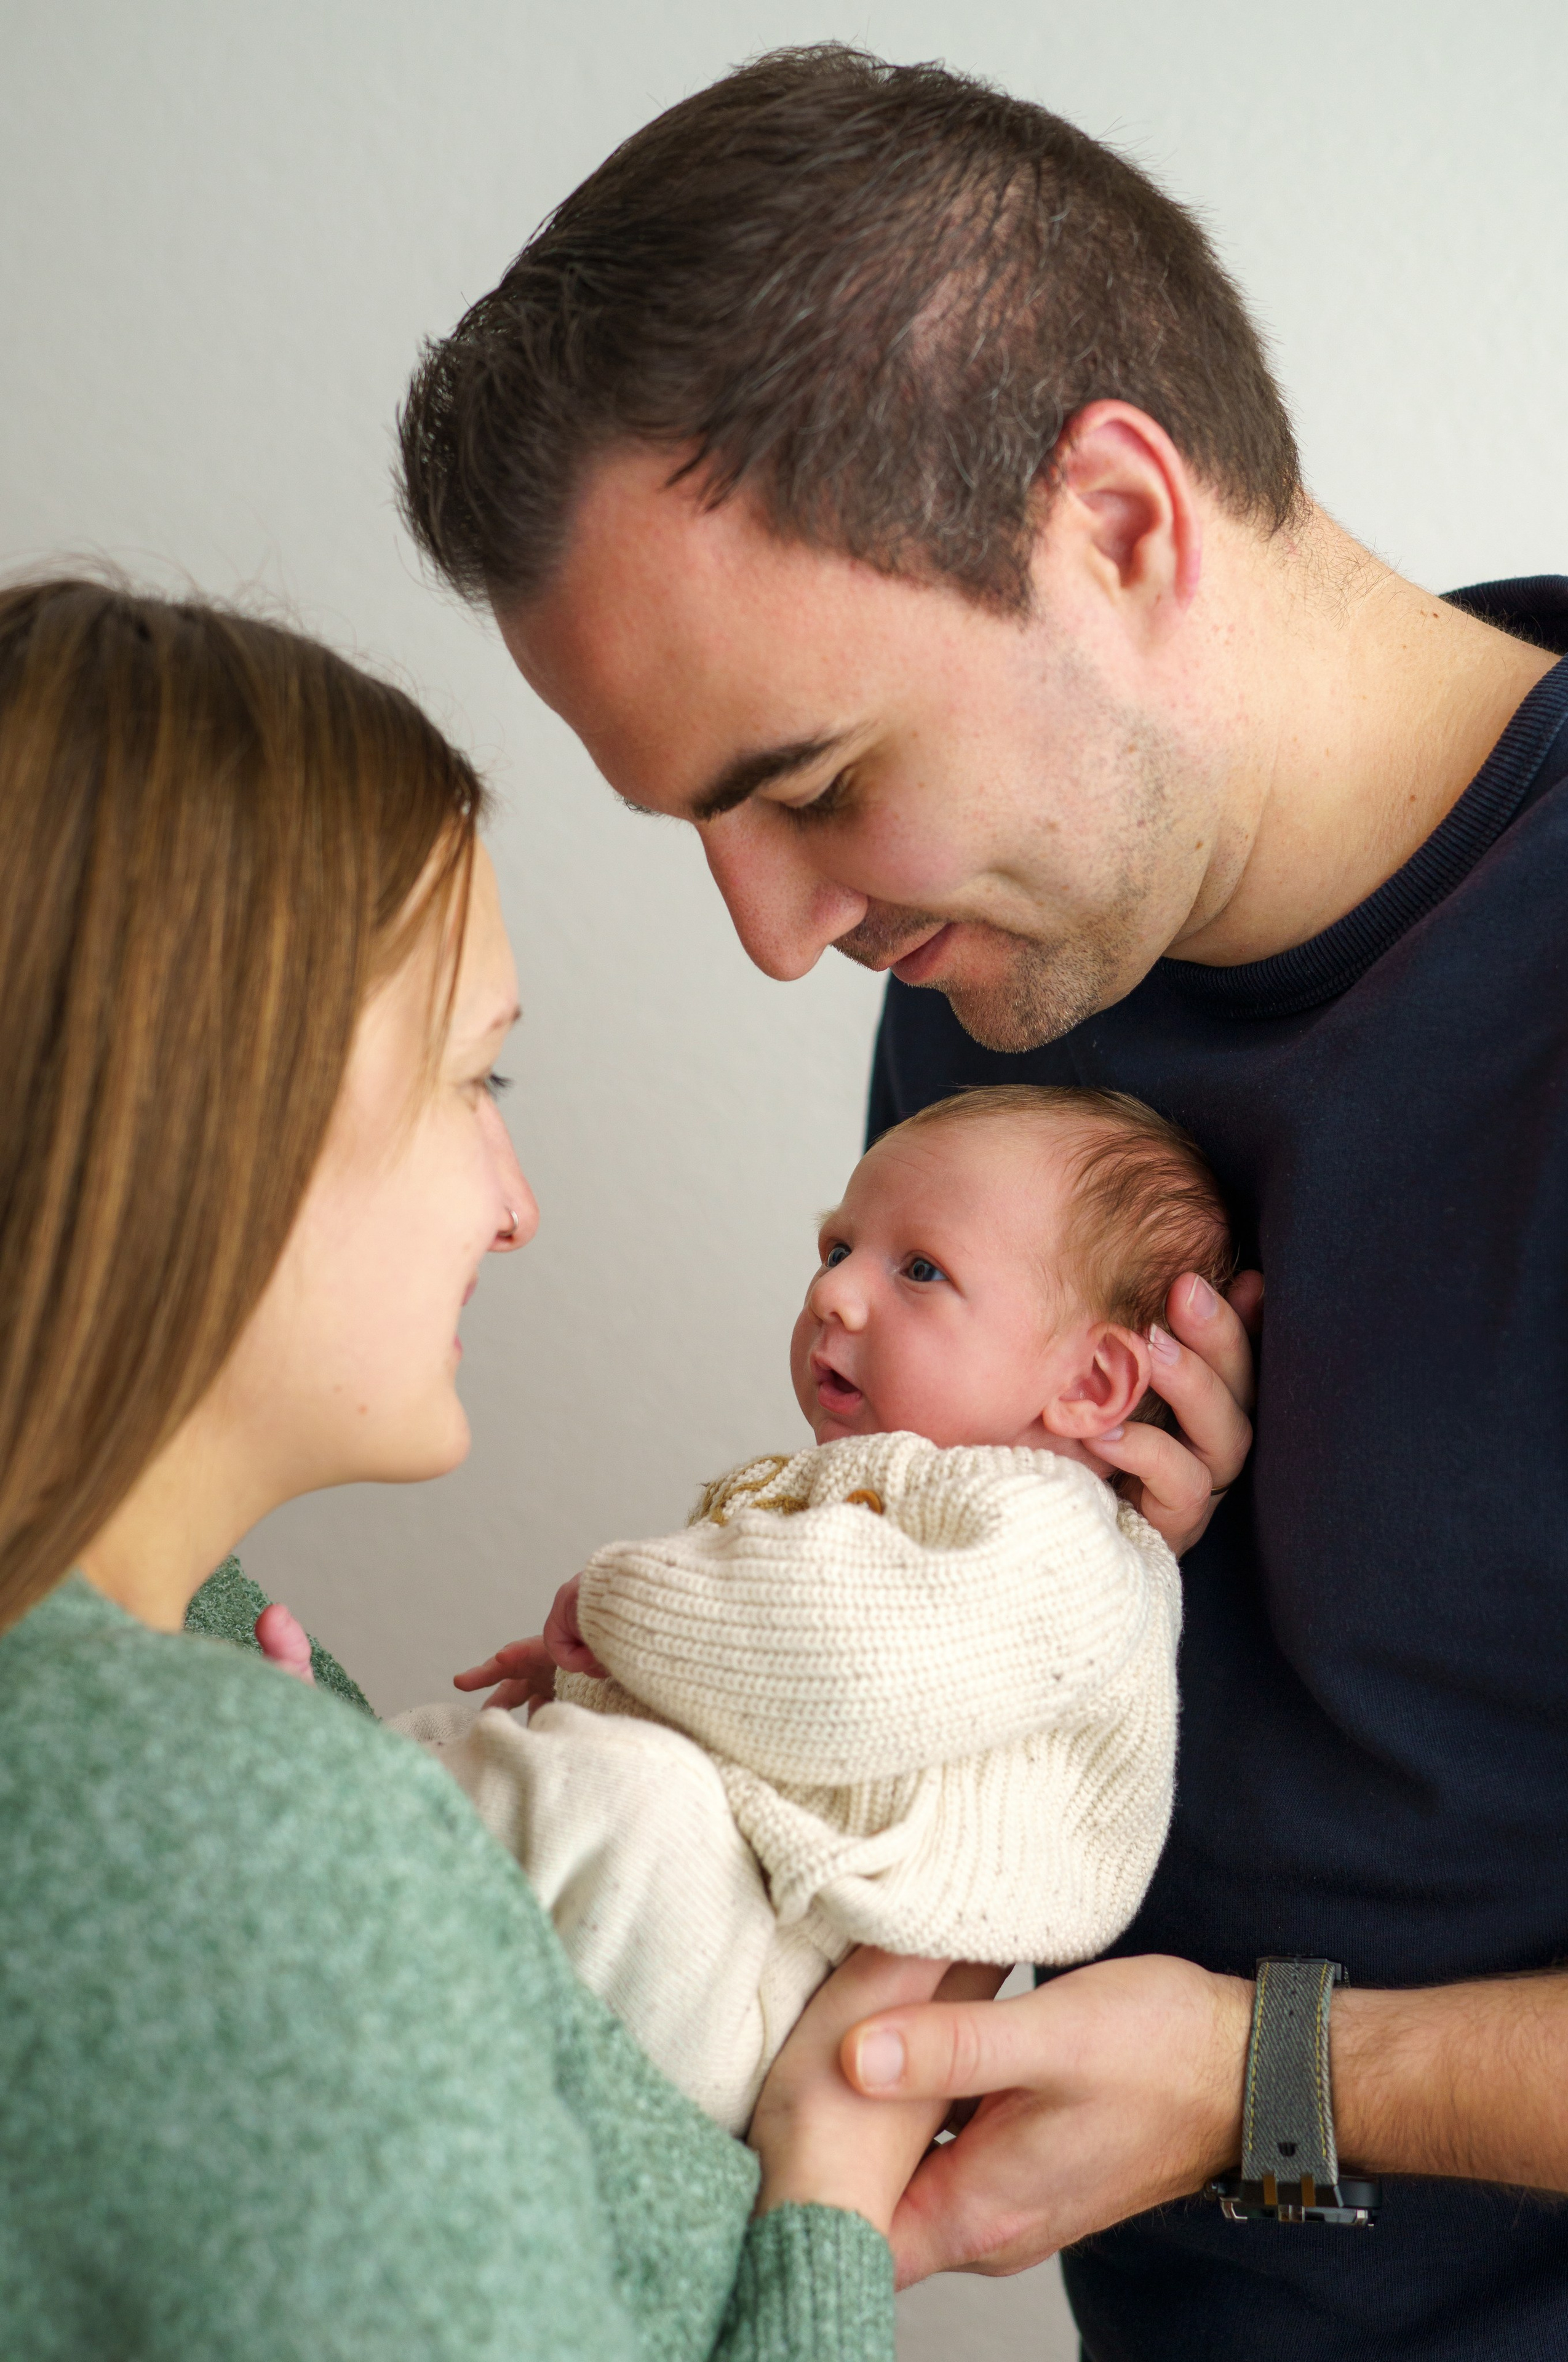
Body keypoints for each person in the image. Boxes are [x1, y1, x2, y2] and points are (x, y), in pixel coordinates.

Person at [393, 41, 1568, 2362]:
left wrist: (1273, 2078)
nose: (773, 934)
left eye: (816, 784)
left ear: (1119, 525)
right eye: (704, 829)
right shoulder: (1005, 978)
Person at [0, 575, 982, 2360]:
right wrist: (830, 2210)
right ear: (199, 1112)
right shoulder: (241, 1832)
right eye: (480, 1084)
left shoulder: (204, 1661)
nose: (514, 1208)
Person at [367, 1086, 1225, 2133]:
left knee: (623, 1791)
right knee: (484, 1749)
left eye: (921, 1270)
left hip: (765, 1986)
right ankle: (319, 1815)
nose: (836, 1294)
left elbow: (840, 1673)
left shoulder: (1061, 1544)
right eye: (837, 1249)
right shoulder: (891, 1491)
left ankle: (330, 1856)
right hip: (708, 1918)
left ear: (1091, 1383)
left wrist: (619, 1609)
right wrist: (595, 1678)